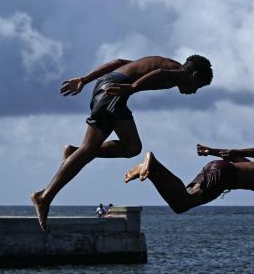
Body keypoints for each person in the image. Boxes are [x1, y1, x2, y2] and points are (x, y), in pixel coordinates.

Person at [30, 55, 213, 230]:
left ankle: (75, 153)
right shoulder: (179, 73)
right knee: (90, 148)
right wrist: (132, 87)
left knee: (132, 147)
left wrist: (84, 80)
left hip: (114, 92)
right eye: (198, 86)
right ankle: (44, 196)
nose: (194, 91)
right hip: (113, 93)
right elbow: (160, 74)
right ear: (194, 75)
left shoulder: (166, 64)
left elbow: (119, 62)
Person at [124, 144, 254, 213]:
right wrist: (237, 151)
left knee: (179, 204)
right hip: (223, 175)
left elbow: (236, 160)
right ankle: (154, 164)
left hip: (219, 169)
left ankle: (149, 170)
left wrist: (211, 151)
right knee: (183, 202)